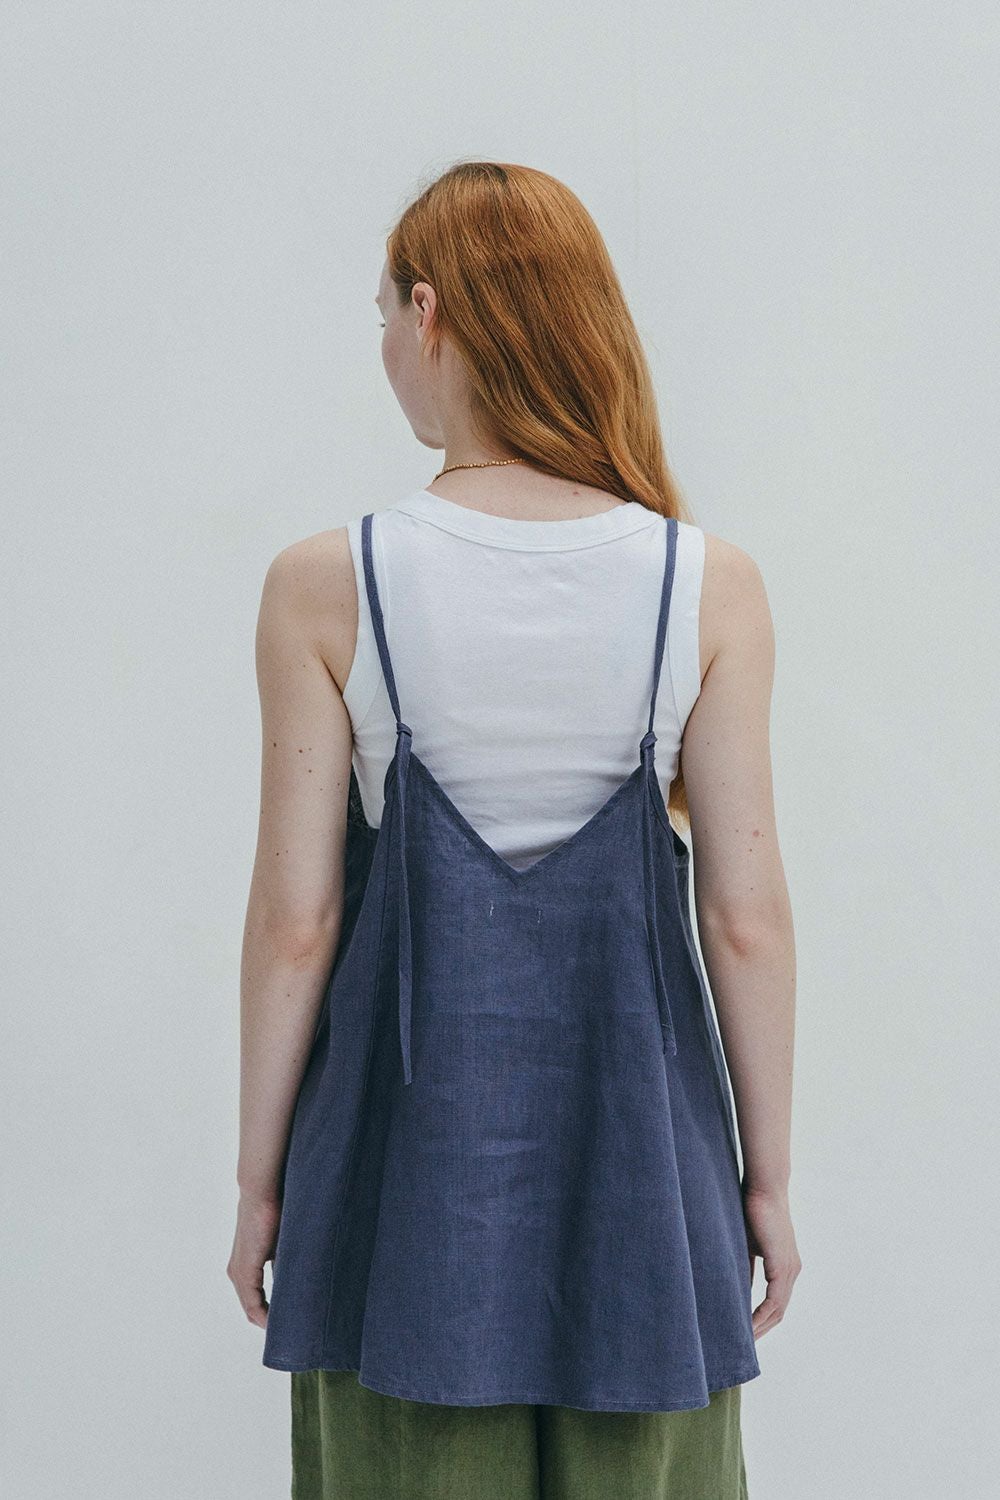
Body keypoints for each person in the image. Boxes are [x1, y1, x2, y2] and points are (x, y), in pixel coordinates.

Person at [227, 160, 800, 1499]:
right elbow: (746, 921)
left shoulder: (329, 584)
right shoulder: (705, 584)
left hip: (398, 1191)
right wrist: (766, 1180)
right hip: (646, 1181)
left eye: (383, 313)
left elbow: (298, 923)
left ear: (430, 312)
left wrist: (258, 1183)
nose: (383, 346)